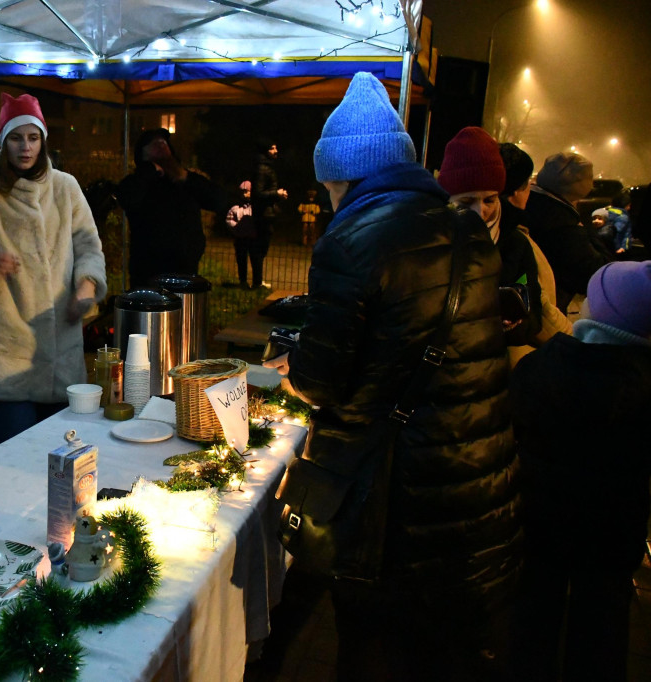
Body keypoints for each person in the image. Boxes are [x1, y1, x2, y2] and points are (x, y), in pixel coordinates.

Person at [267, 73, 521, 680]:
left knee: (373, 650)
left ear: (342, 177)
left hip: (396, 502)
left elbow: (322, 383)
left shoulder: (350, 239)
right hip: (480, 486)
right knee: (443, 654)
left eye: (327, 185)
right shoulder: (468, 231)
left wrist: (294, 368)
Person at [510, 260, 651, 682]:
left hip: (540, 514)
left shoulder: (541, 368)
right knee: (603, 619)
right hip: (615, 526)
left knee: (534, 608)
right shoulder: (644, 385)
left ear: (597, 311)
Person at [0, 93, 107, 444]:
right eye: (15, 137)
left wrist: (85, 289)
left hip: (61, 348)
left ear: (42, 141)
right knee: (17, 457)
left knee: (64, 457)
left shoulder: (65, 187)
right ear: (2, 141)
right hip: (8, 347)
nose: (25, 147)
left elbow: (88, 244)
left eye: (33, 137)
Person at [438, 126, 543, 351]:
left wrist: (514, 325)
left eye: (489, 200)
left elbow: (534, 317)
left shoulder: (516, 244)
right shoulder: (427, 239)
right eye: (466, 202)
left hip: (490, 361)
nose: (480, 212)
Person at [117, 127, 226, 288]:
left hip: (185, 272)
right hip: (148, 274)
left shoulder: (185, 182)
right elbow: (128, 198)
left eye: (163, 142)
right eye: (154, 144)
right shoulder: (138, 182)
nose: (161, 145)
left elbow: (218, 200)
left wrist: (185, 177)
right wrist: (150, 171)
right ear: (142, 154)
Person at [499, 142, 573, 365]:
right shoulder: (516, 241)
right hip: (513, 358)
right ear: (519, 190)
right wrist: (573, 339)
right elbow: (540, 310)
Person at [524, 152, 611, 313]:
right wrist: (584, 226)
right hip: (547, 311)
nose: (592, 184)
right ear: (576, 184)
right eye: (589, 178)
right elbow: (594, 272)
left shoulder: (529, 202)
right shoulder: (564, 223)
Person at [249, 137, 288, 288]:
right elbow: (258, 193)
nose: (275, 151)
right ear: (265, 151)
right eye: (272, 148)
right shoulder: (262, 168)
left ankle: (258, 281)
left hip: (267, 213)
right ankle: (257, 282)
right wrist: (276, 194)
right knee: (259, 248)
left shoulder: (266, 166)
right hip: (263, 214)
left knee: (261, 248)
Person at [225, 180, 257, 288]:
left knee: (255, 260)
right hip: (240, 238)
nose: (245, 194)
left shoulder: (256, 208)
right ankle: (243, 281)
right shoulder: (235, 208)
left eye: (247, 191)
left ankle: (256, 281)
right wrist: (237, 228)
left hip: (253, 237)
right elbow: (229, 220)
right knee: (241, 259)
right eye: (243, 192)